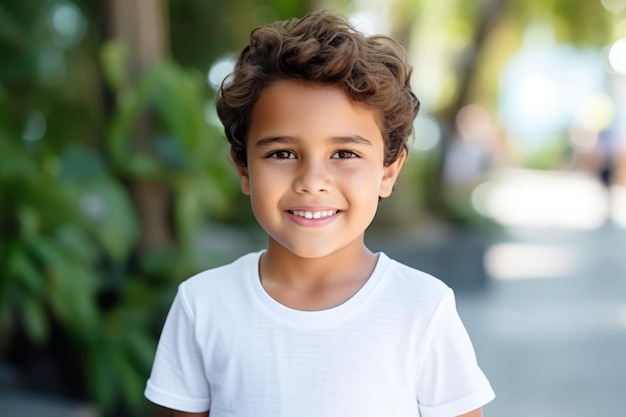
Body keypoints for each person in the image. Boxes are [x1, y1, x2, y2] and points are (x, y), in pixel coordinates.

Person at [144, 9, 495, 417]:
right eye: (283, 153)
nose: (312, 181)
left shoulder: (422, 308)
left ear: (388, 171)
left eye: (344, 154)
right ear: (244, 170)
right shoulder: (202, 305)